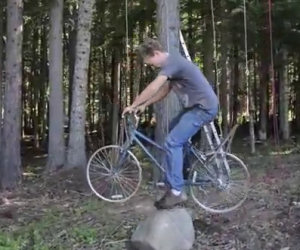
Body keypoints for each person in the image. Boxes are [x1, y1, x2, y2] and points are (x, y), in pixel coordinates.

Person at [122, 38, 219, 209]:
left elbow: (153, 87)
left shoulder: (172, 63)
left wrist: (133, 104)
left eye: (150, 62)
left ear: (157, 54)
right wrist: (144, 105)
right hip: (195, 107)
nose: (152, 66)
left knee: (172, 142)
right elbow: (164, 91)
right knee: (174, 133)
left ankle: (176, 191)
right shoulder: (173, 65)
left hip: (204, 108)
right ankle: (182, 174)